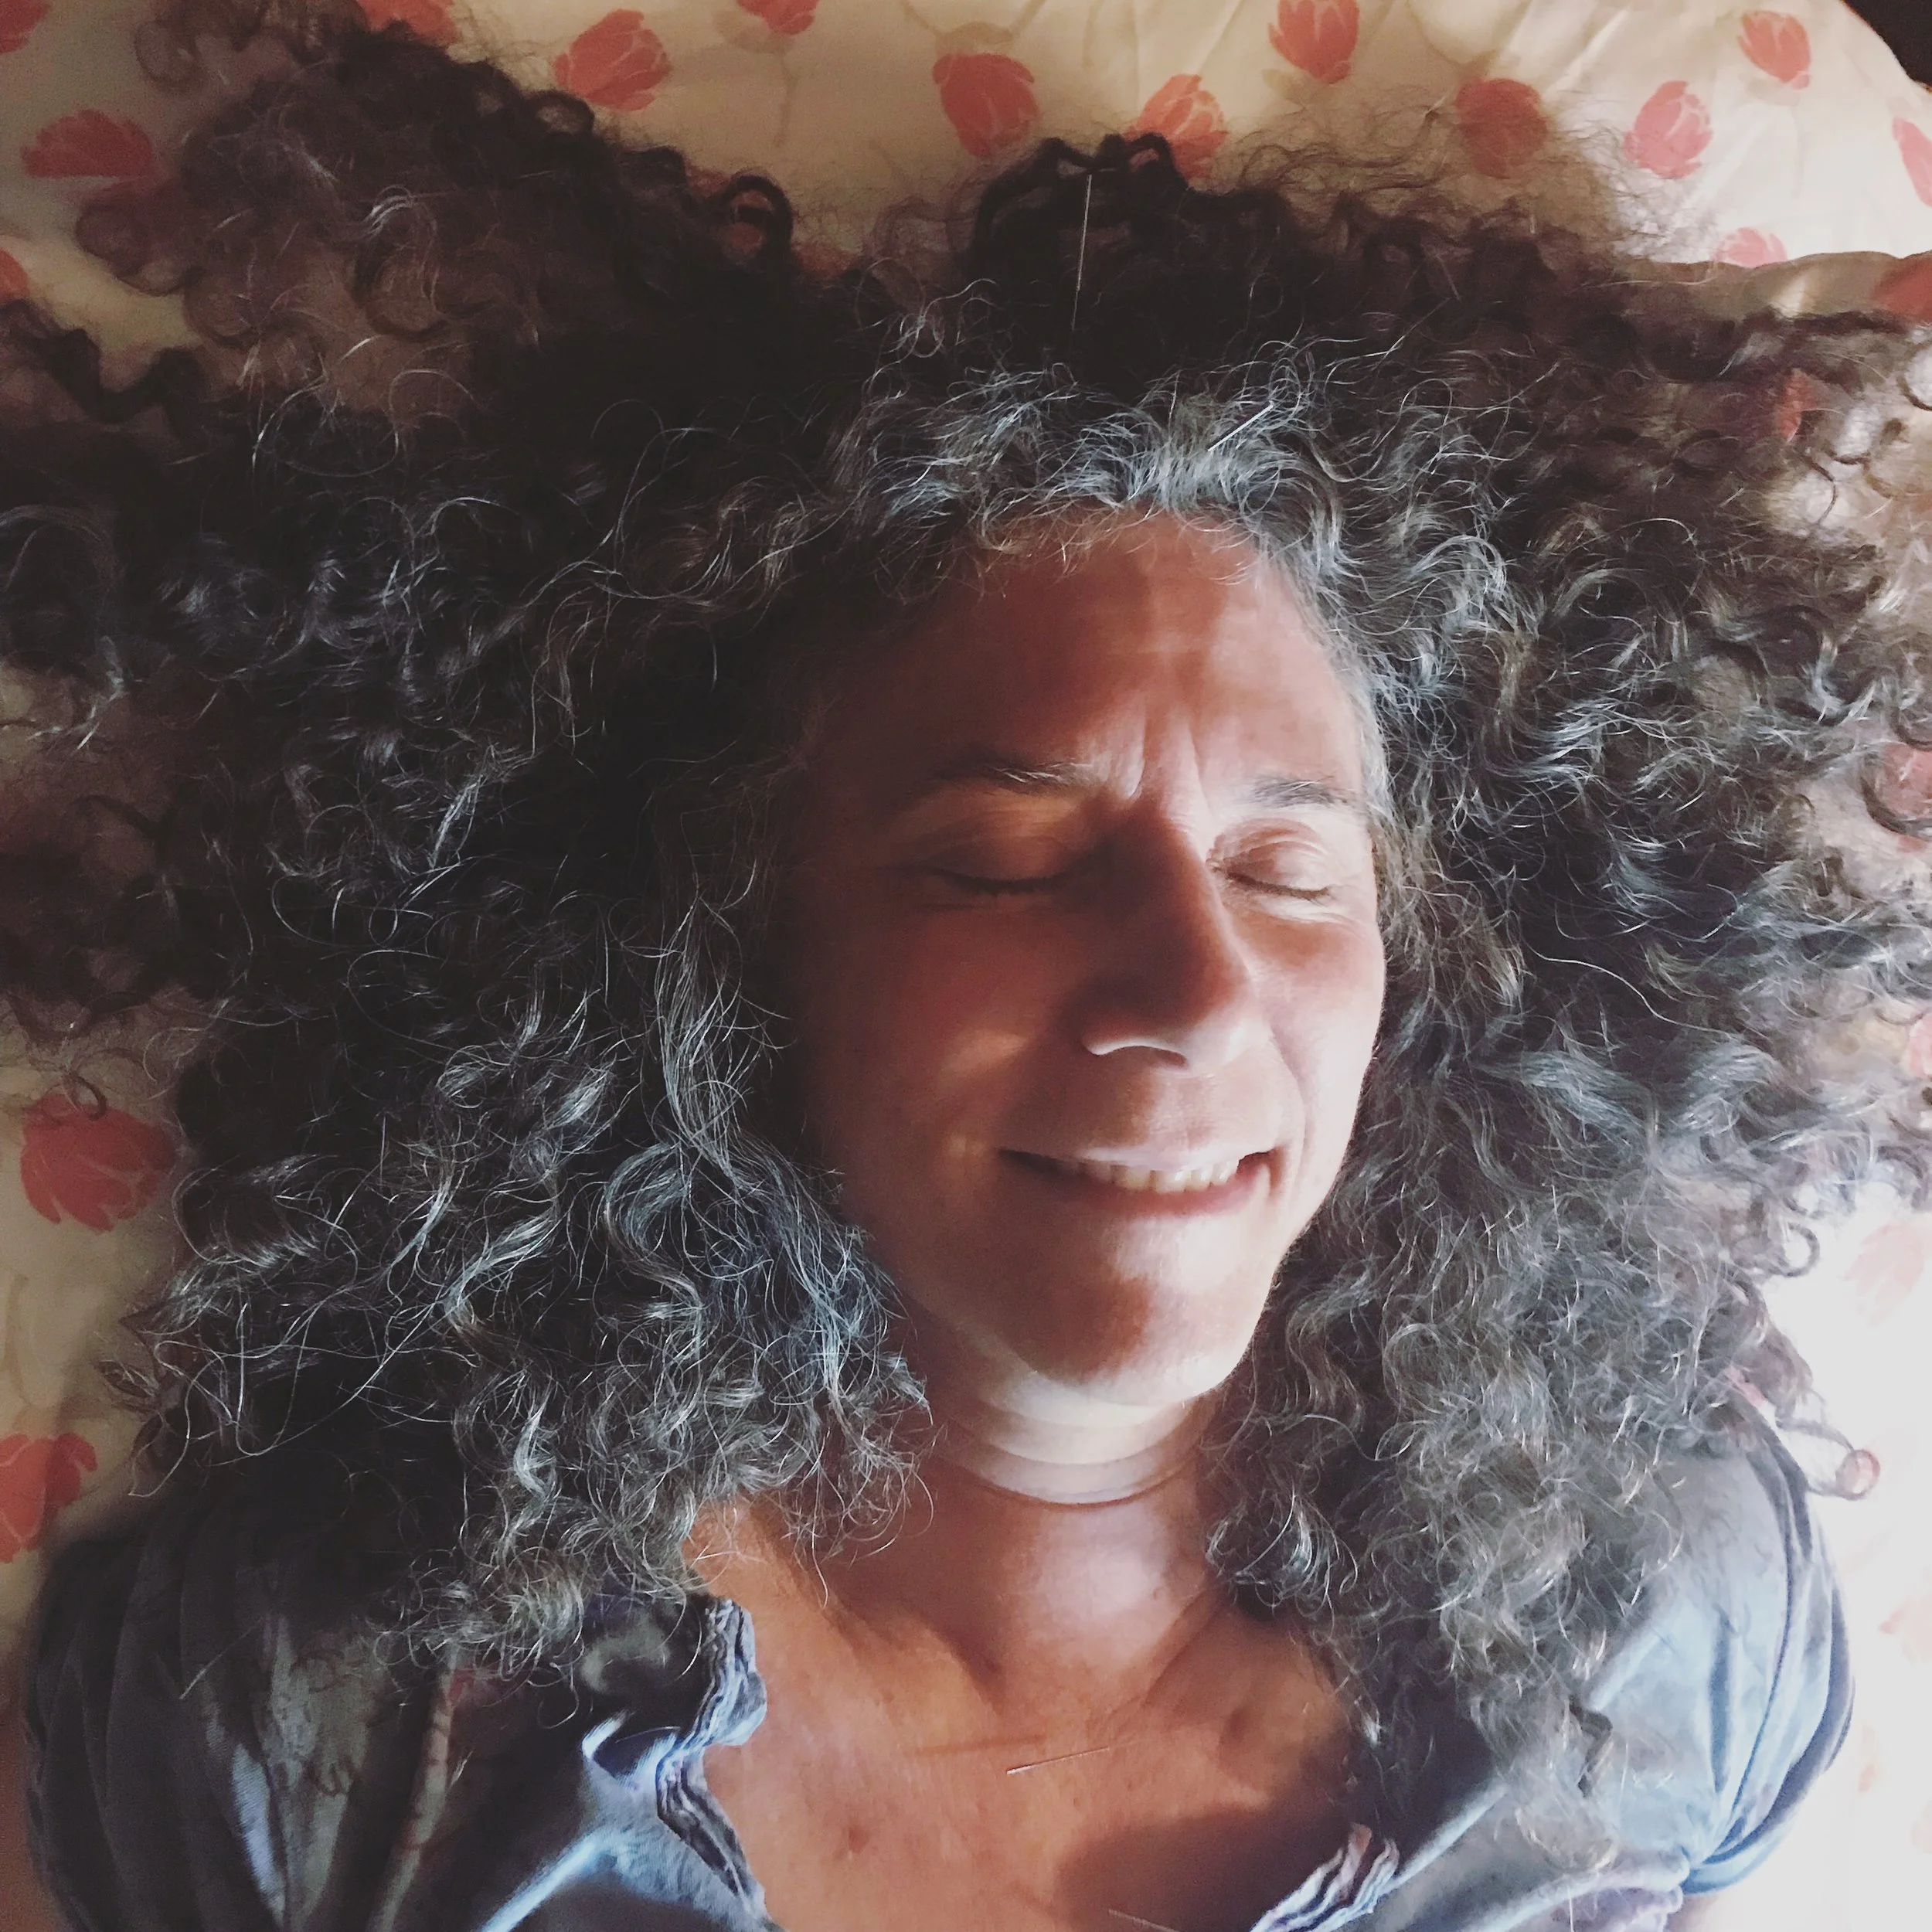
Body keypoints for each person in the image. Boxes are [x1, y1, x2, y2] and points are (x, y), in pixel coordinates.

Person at [8, 12, 1931, 1930]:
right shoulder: (317, 1728)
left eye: (1286, 869)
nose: (1190, 991)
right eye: (1007, 862)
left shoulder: (1666, 1622)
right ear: (740, 945)